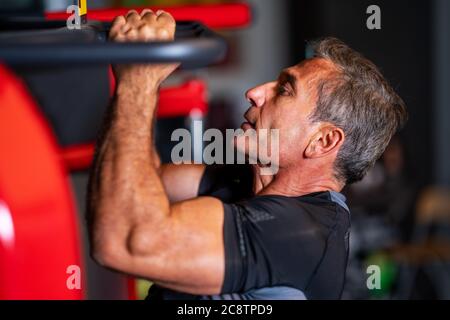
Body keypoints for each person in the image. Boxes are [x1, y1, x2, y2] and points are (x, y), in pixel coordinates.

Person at [86, 9, 408, 300]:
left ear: (322, 141)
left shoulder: (300, 234)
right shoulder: (249, 178)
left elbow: (123, 238)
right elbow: (130, 183)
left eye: (284, 90)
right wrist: (141, 77)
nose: (253, 93)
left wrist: (138, 81)